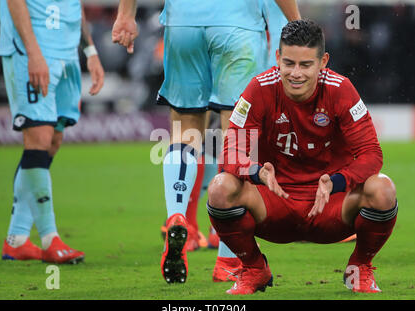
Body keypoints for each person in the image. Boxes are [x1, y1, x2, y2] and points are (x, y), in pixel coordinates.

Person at [112, 0, 301, 285]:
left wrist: (125, 15)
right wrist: (296, 25)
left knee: (185, 132)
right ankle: (229, 259)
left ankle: (177, 216)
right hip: (237, 27)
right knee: (237, 139)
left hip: (183, 26)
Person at [206, 20, 398, 295]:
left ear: (323, 62)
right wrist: (256, 171)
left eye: (306, 65)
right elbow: (230, 152)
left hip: (331, 206)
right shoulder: (259, 89)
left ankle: (359, 268)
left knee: (383, 189)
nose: (296, 73)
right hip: (274, 202)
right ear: (277, 59)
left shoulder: (340, 89)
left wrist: (336, 182)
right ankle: (253, 268)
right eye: (289, 63)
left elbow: (371, 154)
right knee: (221, 187)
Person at [0, 0, 104, 263]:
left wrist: (90, 50)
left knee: (53, 140)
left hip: (66, 52)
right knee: (38, 137)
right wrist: (33, 52)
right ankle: (49, 239)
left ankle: (17, 239)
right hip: (32, 50)